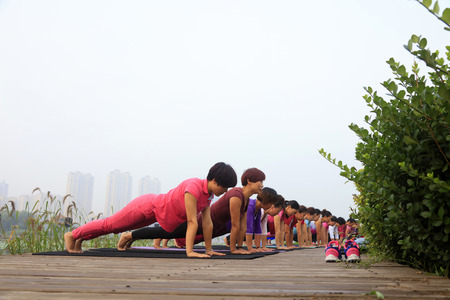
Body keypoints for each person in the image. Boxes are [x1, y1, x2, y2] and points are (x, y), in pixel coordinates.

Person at [64, 162, 237, 258]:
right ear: (215, 181)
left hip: (154, 213)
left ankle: (80, 239)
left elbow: (207, 223)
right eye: (225, 187)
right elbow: (192, 221)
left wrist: (208, 249)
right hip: (146, 206)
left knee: (116, 227)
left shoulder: (207, 196)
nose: (226, 192)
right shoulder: (194, 188)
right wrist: (190, 252)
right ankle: (72, 235)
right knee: (112, 225)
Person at [123, 168, 271, 255]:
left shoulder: (244, 199)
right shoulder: (236, 196)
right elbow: (235, 225)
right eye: (260, 181)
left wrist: (240, 248)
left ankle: (133, 235)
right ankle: (129, 234)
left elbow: (243, 226)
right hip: (198, 223)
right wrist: (233, 249)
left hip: (206, 227)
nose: (262, 185)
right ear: (250, 181)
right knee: (162, 232)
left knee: (166, 233)